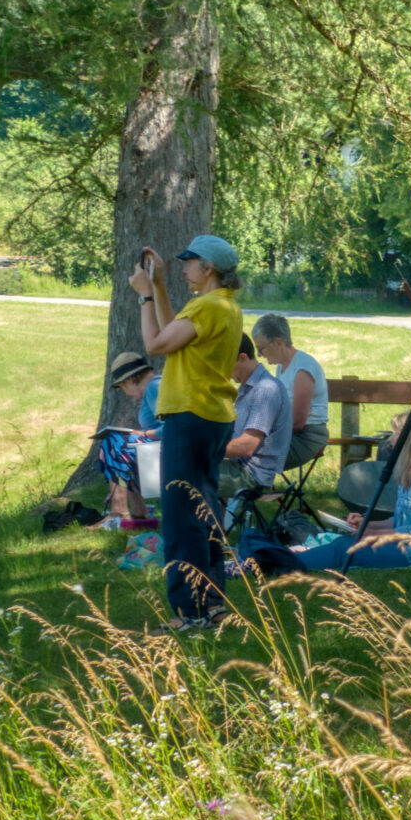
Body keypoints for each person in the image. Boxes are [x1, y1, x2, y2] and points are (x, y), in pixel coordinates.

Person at [128, 234, 243, 632]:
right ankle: (212, 604)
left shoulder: (208, 305)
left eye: (189, 262)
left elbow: (156, 344)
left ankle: (189, 612)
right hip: (212, 416)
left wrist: (145, 296)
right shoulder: (223, 305)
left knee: (180, 516)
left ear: (208, 268)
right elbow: (173, 333)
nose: (184, 269)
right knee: (204, 509)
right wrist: (158, 285)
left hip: (190, 415)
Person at [285, 412, 411, 571]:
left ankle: (287, 565)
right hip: (408, 547)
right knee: (344, 542)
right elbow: (399, 520)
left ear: (408, 442)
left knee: (345, 548)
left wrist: (373, 535)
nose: (390, 440)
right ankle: (289, 561)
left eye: (395, 434)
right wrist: (367, 525)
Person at [219, 334, 294, 529]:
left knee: (187, 473)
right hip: (240, 467)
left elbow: (247, 446)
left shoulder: (265, 390)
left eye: (226, 365)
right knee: (187, 467)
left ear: (242, 358)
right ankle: (213, 534)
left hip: (251, 475)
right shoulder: (248, 388)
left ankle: (207, 536)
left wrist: (203, 448)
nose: (224, 373)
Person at [252, 313, 330, 469]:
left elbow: (297, 422)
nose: (259, 354)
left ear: (278, 342)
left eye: (260, 348)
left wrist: (262, 435)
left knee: (251, 455)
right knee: (243, 449)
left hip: (307, 437)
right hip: (289, 433)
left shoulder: (303, 367)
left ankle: (249, 485)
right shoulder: (281, 367)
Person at [93, 352, 162, 527]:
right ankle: (138, 512)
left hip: (168, 452)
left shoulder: (154, 388)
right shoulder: (155, 387)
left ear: (130, 380)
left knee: (113, 442)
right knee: (120, 442)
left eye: (123, 388)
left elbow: (172, 427)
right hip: (163, 449)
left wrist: (144, 434)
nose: (127, 393)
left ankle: (120, 512)